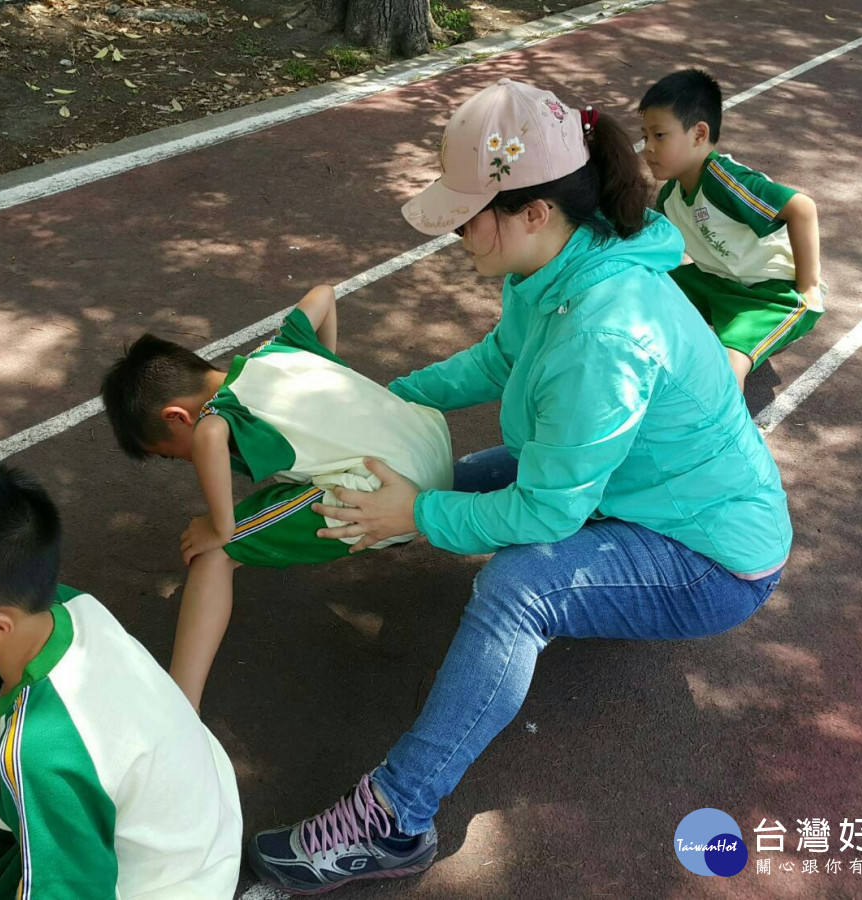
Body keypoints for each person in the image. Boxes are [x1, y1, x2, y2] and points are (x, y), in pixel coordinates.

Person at [246, 77, 792, 894]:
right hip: (636, 491)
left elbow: (545, 509)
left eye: (468, 214)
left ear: (533, 210)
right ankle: (407, 524)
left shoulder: (602, 333)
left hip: (709, 559)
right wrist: (387, 401)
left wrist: (422, 513)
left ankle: (395, 818)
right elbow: (499, 359)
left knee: (519, 583)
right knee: (479, 478)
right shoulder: (562, 260)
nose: (456, 232)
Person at [0, 460, 242, 899]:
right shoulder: (59, 609)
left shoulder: (41, 750)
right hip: (194, 827)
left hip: (155, 885)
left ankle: (34, 868)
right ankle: (27, 861)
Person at [99, 284, 453, 712]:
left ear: (177, 417)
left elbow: (210, 433)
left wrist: (219, 527)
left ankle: (179, 709)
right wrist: (330, 361)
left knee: (215, 552)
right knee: (265, 508)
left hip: (385, 493)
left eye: (171, 454)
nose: (181, 460)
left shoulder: (221, 414)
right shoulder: (278, 349)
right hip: (431, 446)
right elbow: (323, 294)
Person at [639, 68, 825, 391]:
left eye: (659, 135)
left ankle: (724, 434)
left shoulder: (723, 180)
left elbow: (802, 208)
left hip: (769, 293)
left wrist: (808, 288)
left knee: (727, 367)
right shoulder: (670, 197)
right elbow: (653, 247)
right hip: (718, 282)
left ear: (699, 134)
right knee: (642, 286)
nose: (647, 148)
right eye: (644, 137)